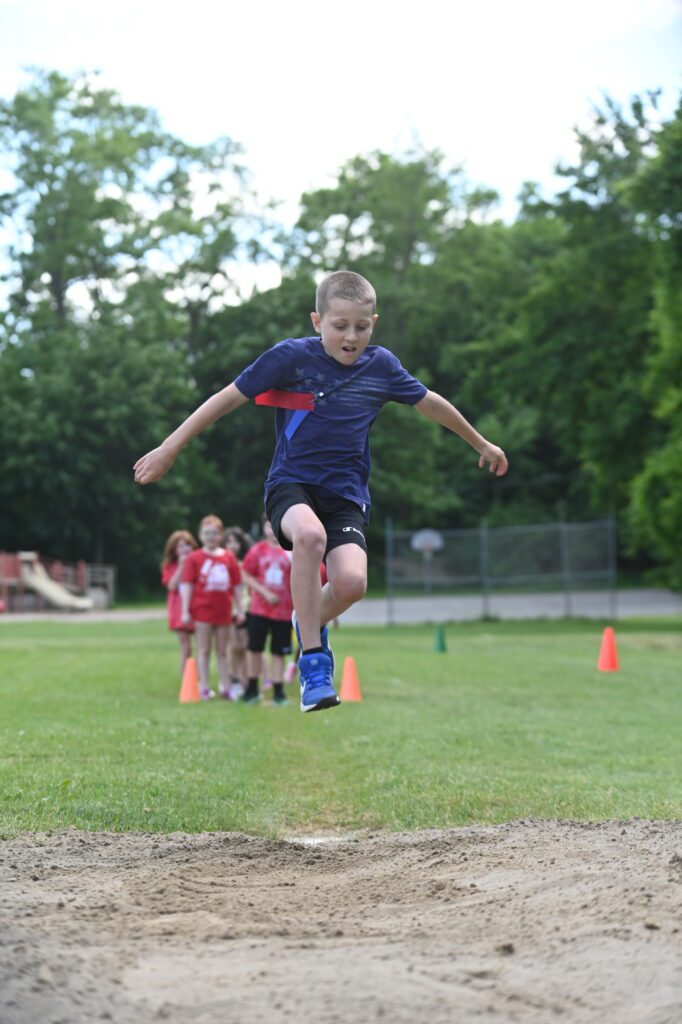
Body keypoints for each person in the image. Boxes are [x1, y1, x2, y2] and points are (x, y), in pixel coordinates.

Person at [134, 270, 508, 712]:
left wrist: (480, 442)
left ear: (374, 322)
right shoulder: (290, 359)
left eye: (362, 326)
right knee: (309, 538)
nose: (351, 336)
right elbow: (228, 397)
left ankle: (305, 618)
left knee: (351, 584)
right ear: (317, 321)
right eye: (340, 326)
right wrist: (170, 447)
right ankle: (313, 660)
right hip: (290, 485)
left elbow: (429, 403)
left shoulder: (381, 366)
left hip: (346, 494)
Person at [180, 515, 243, 700]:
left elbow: (237, 585)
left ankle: (226, 686)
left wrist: (239, 609)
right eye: (207, 533)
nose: (211, 537)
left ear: (220, 535)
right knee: (204, 649)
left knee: (223, 650)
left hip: (223, 611)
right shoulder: (195, 558)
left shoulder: (228, 557)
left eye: (214, 533)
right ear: (200, 535)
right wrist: (185, 610)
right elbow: (187, 585)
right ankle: (204, 686)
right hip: (202, 611)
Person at [241, 516, 294, 706]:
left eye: (276, 525)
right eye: (268, 526)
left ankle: (278, 691)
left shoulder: (291, 551)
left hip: (284, 611)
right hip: (259, 610)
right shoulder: (258, 550)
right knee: (254, 649)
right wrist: (263, 592)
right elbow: (245, 573)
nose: (272, 530)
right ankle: (252, 689)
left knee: (279, 652)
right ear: (264, 528)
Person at [161, 530, 199, 679]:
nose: (185, 549)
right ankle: (187, 680)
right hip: (178, 609)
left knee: (201, 647)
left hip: (197, 607)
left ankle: (200, 678)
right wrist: (182, 566)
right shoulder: (170, 566)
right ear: (174, 550)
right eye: (180, 546)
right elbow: (171, 586)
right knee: (186, 647)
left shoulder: (198, 561)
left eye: (188, 545)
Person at [223, 525, 253, 700]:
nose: (232, 545)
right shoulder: (222, 562)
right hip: (229, 610)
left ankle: (245, 678)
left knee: (244, 646)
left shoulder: (246, 563)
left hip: (246, 607)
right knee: (233, 646)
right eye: (228, 542)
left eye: (235, 542)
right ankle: (232, 678)